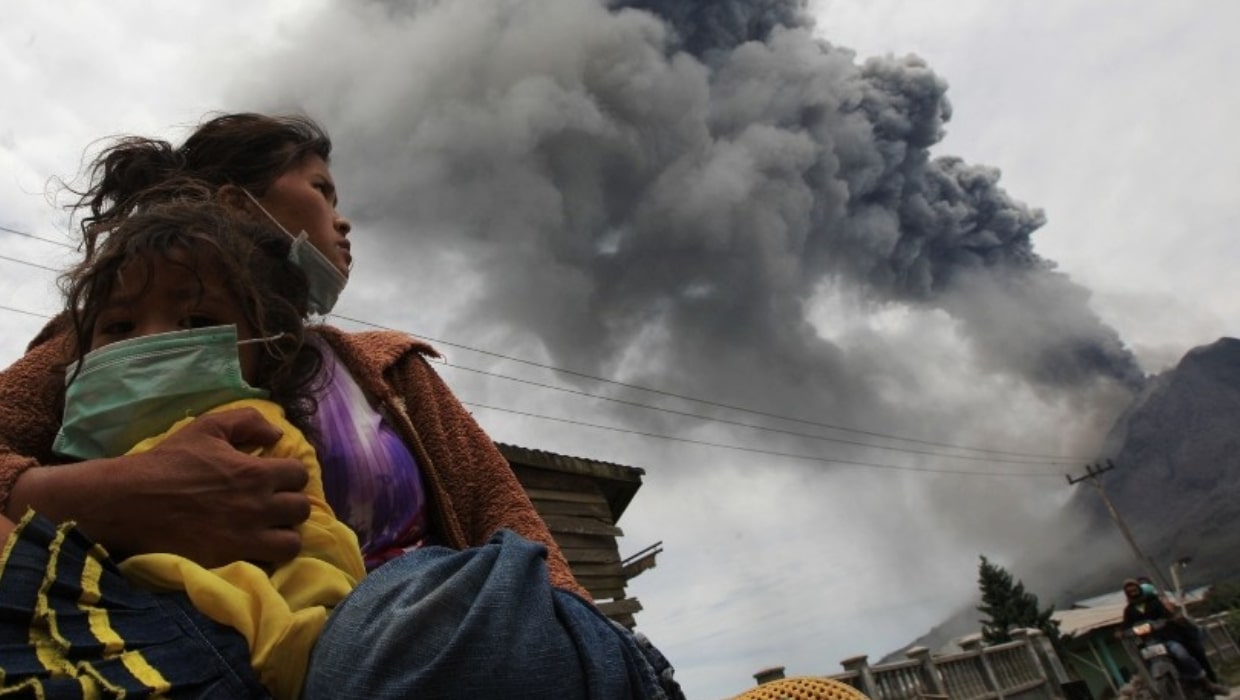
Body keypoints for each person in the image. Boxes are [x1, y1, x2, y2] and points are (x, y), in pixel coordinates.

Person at [0, 113, 682, 698]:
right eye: (323, 190)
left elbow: (502, 515)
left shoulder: (388, 367)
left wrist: (567, 629)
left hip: (400, 639)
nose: (343, 217)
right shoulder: (98, 343)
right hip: (168, 640)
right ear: (238, 207)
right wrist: (106, 496)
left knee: (447, 614)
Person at [0, 197, 365, 698]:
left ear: (269, 349)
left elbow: (315, 567)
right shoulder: (74, 453)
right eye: (119, 327)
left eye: (195, 321)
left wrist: (290, 654)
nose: (150, 342)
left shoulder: (252, 431)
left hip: (232, 648)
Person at [1120, 579, 1227, 696]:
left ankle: (1206, 683)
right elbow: (1125, 626)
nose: (1132, 592)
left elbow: (1167, 615)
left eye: (1134, 589)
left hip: (1167, 639)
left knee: (1182, 655)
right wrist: (1120, 633)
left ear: (1139, 589)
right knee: (1141, 667)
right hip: (1149, 643)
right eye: (1129, 591)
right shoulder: (1129, 610)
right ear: (1126, 593)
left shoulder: (1154, 602)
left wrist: (1167, 620)